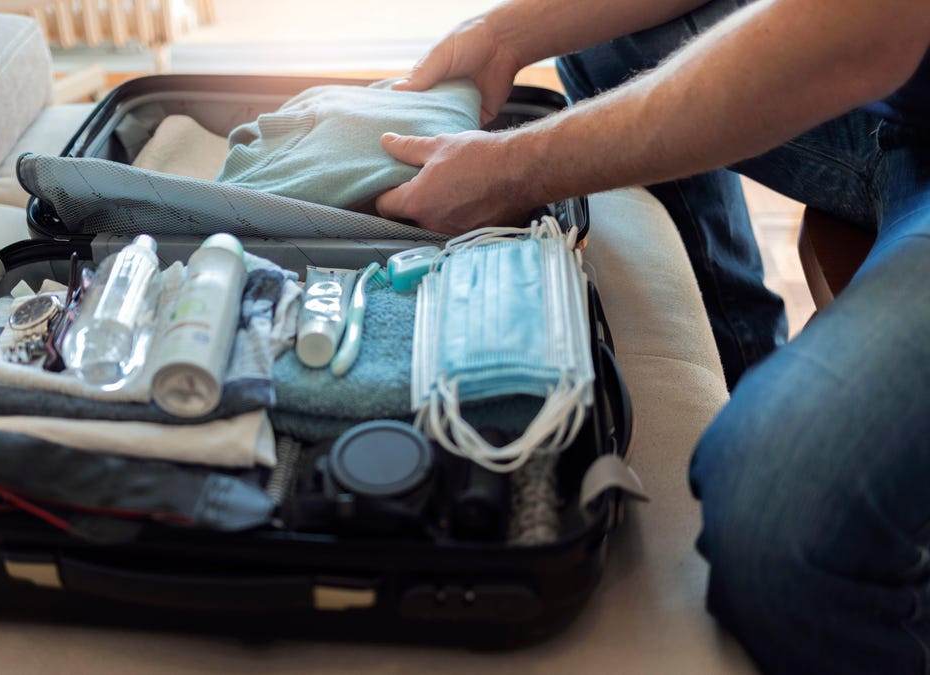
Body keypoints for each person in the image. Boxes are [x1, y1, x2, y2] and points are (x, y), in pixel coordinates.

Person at [376, 1, 930, 673]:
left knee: (779, 514)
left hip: (882, 42)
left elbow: (860, 34)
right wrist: (501, 36)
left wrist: (513, 169)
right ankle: (750, 375)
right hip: (905, 98)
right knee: (606, 42)